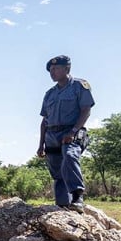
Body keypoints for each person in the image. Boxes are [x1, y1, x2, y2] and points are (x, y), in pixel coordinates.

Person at [37, 55, 94, 213]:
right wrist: (41, 144)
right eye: (50, 70)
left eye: (55, 69)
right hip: (52, 136)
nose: (52, 72)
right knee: (57, 172)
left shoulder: (79, 86)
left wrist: (73, 131)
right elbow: (44, 121)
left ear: (67, 69)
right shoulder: (49, 94)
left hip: (72, 131)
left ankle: (77, 196)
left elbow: (86, 110)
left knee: (69, 156)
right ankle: (62, 206)